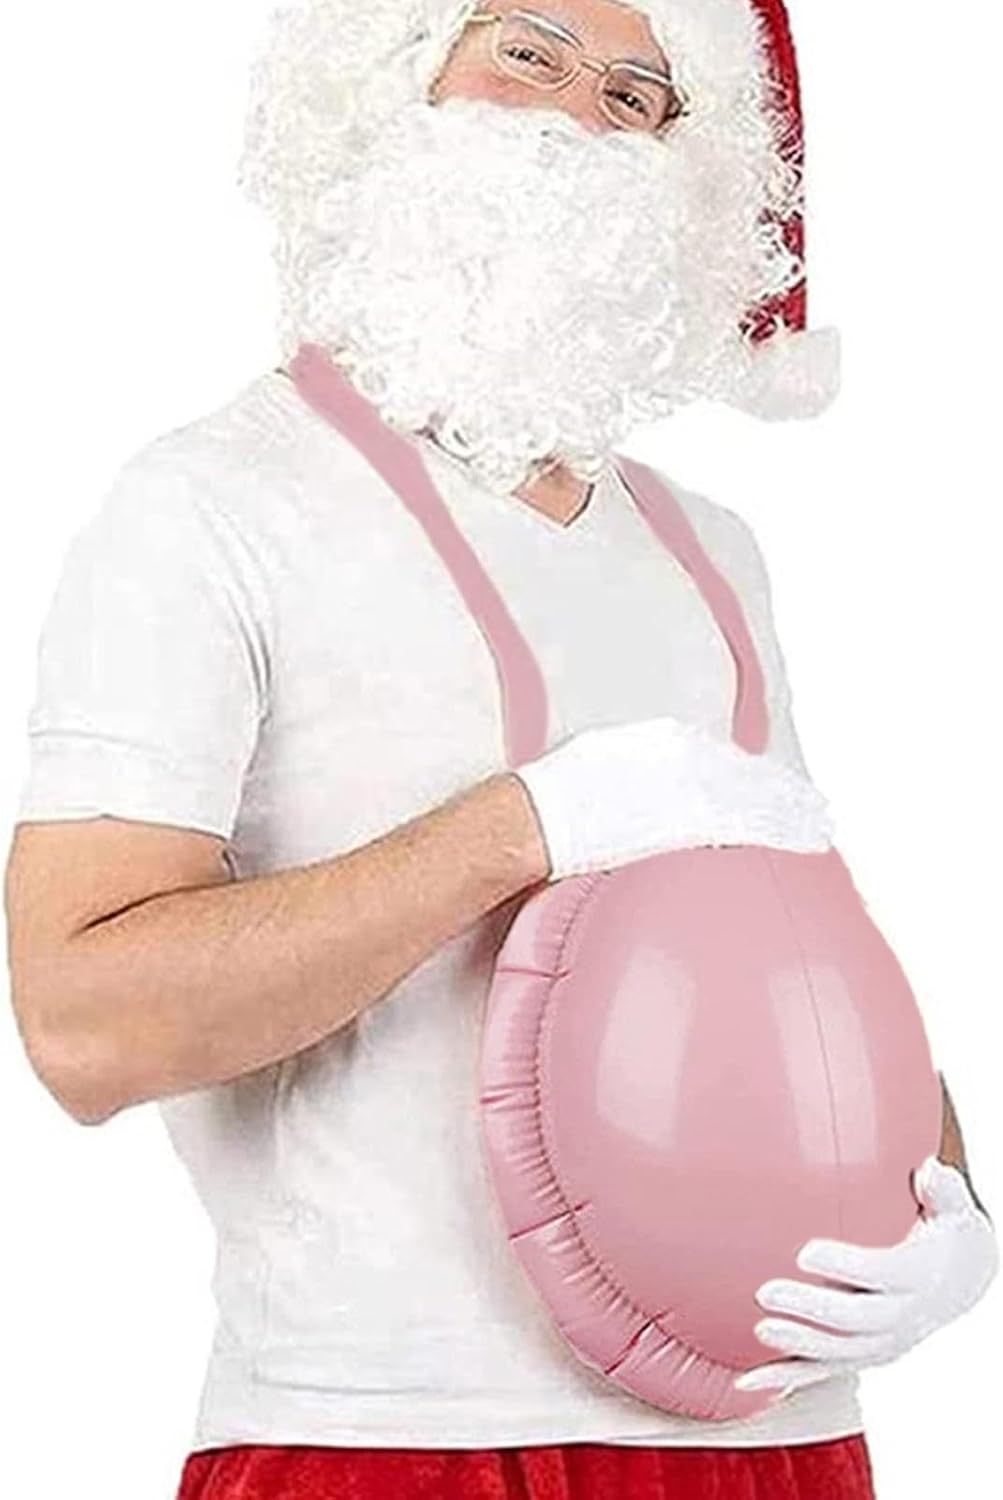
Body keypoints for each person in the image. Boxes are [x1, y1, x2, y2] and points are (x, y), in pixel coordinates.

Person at [4, 2, 997, 1497]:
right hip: (398, 1440)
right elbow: (83, 1026)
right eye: (528, 49)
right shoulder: (212, 507)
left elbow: (808, 955)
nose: (582, 116)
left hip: (785, 1439)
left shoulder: (712, 554)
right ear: (387, 76)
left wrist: (952, 1202)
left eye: (639, 95)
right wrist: (518, 828)